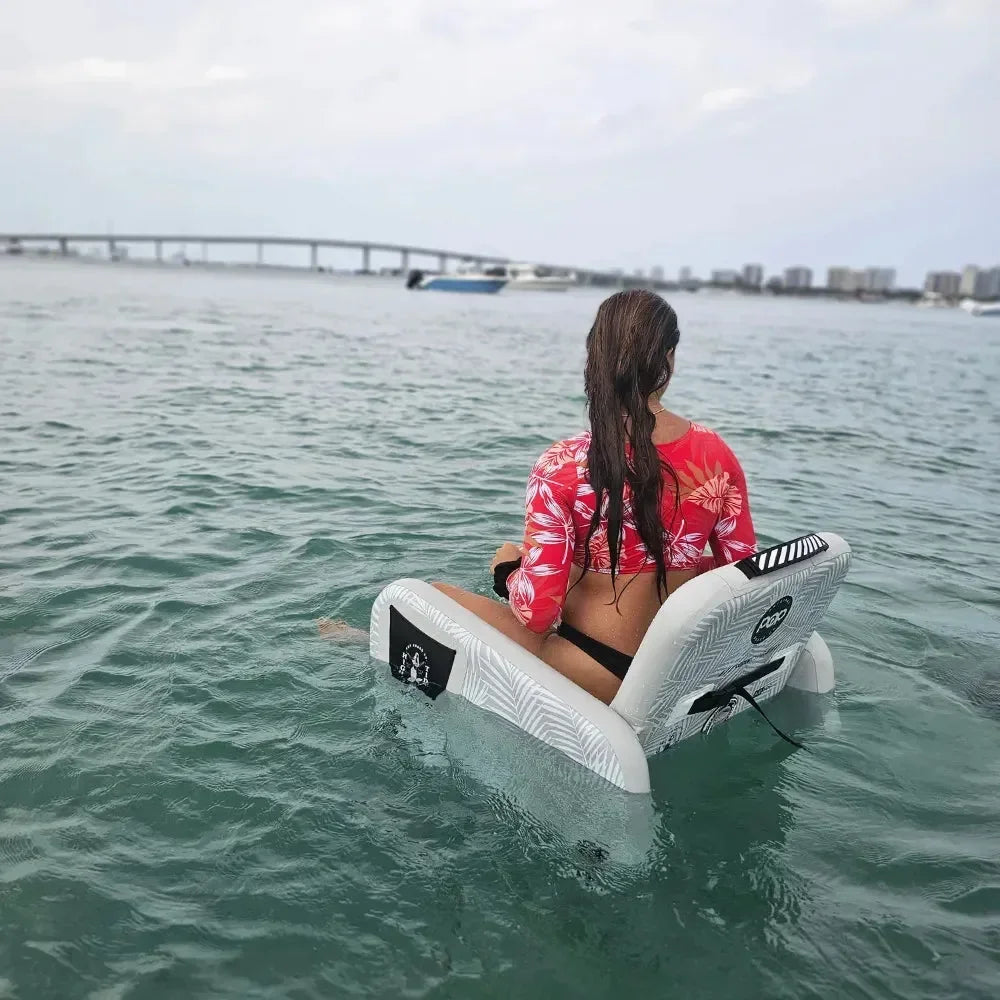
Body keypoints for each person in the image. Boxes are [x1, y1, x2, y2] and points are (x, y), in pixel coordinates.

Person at [431, 289, 756, 705]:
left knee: (425, 597)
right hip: (678, 669)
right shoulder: (717, 455)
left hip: (600, 670)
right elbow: (740, 574)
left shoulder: (561, 465)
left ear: (594, 357)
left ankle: (362, 639)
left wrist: (508, 572)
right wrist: (681, 563)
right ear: (669, 358)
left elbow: (537, 615)